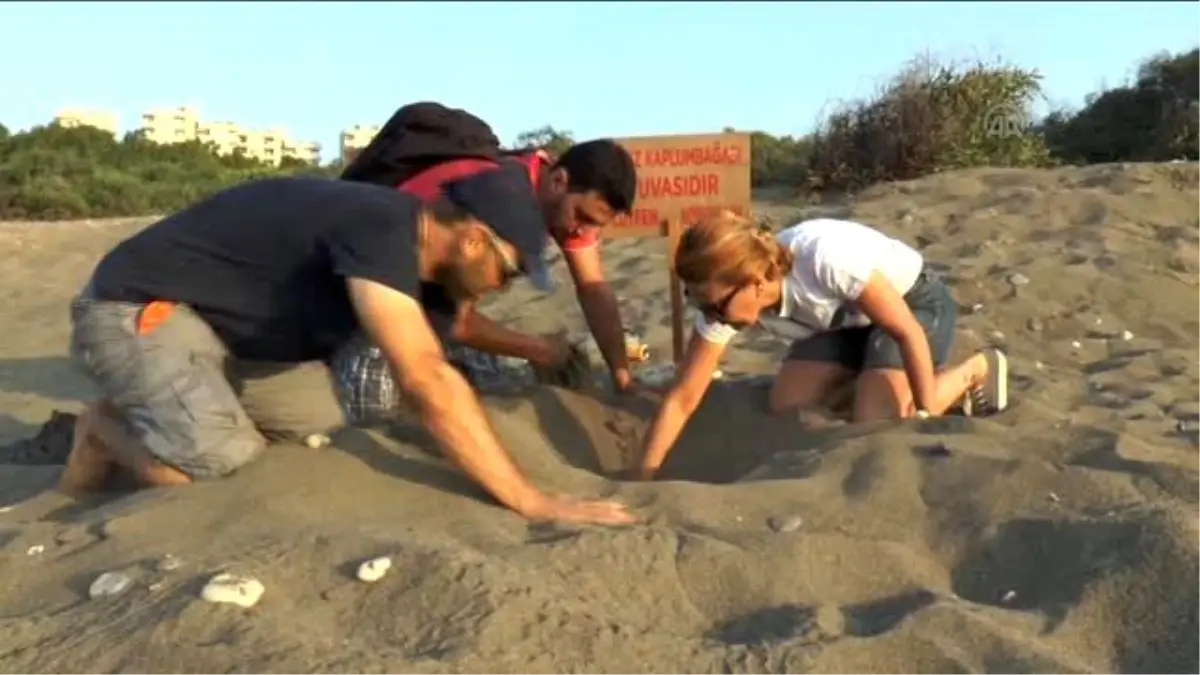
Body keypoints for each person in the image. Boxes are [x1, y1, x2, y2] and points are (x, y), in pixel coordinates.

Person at [60, 165, 637, 526]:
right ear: (472, 241)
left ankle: (172, 415)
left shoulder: (428, 268)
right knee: (222, 474)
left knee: (326, 419)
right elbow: (426, 378)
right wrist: (531, 501)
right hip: (137, 309)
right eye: (508, 271)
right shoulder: (383, 230)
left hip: (223, 335)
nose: (503, 287)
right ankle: (106, 432)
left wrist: (537, 354)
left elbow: (448, 339)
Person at [633, 211, 1009, 480]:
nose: (710, 314)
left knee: (880, 418)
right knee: (787, 402)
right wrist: (643, 476)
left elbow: (906, 331)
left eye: (715, 305)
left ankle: (974, 370)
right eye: (698, 303)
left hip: (913, 304)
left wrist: (925, 412)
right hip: (848, 326)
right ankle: (876, 376)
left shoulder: (826, 260)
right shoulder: (723, 302)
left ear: (759, 280)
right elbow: (683, 397)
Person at [335, 103, 639, 424]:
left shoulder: (558, 198)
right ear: (558, 181)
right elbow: (456, 321)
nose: (582, 231)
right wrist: (539, 350)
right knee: (383, 414)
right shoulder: (495, 199)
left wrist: (622, 377)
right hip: (363, 291)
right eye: (582, 217)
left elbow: (593, 288)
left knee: (497, 382)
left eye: (595, 225)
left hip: (425, 295)